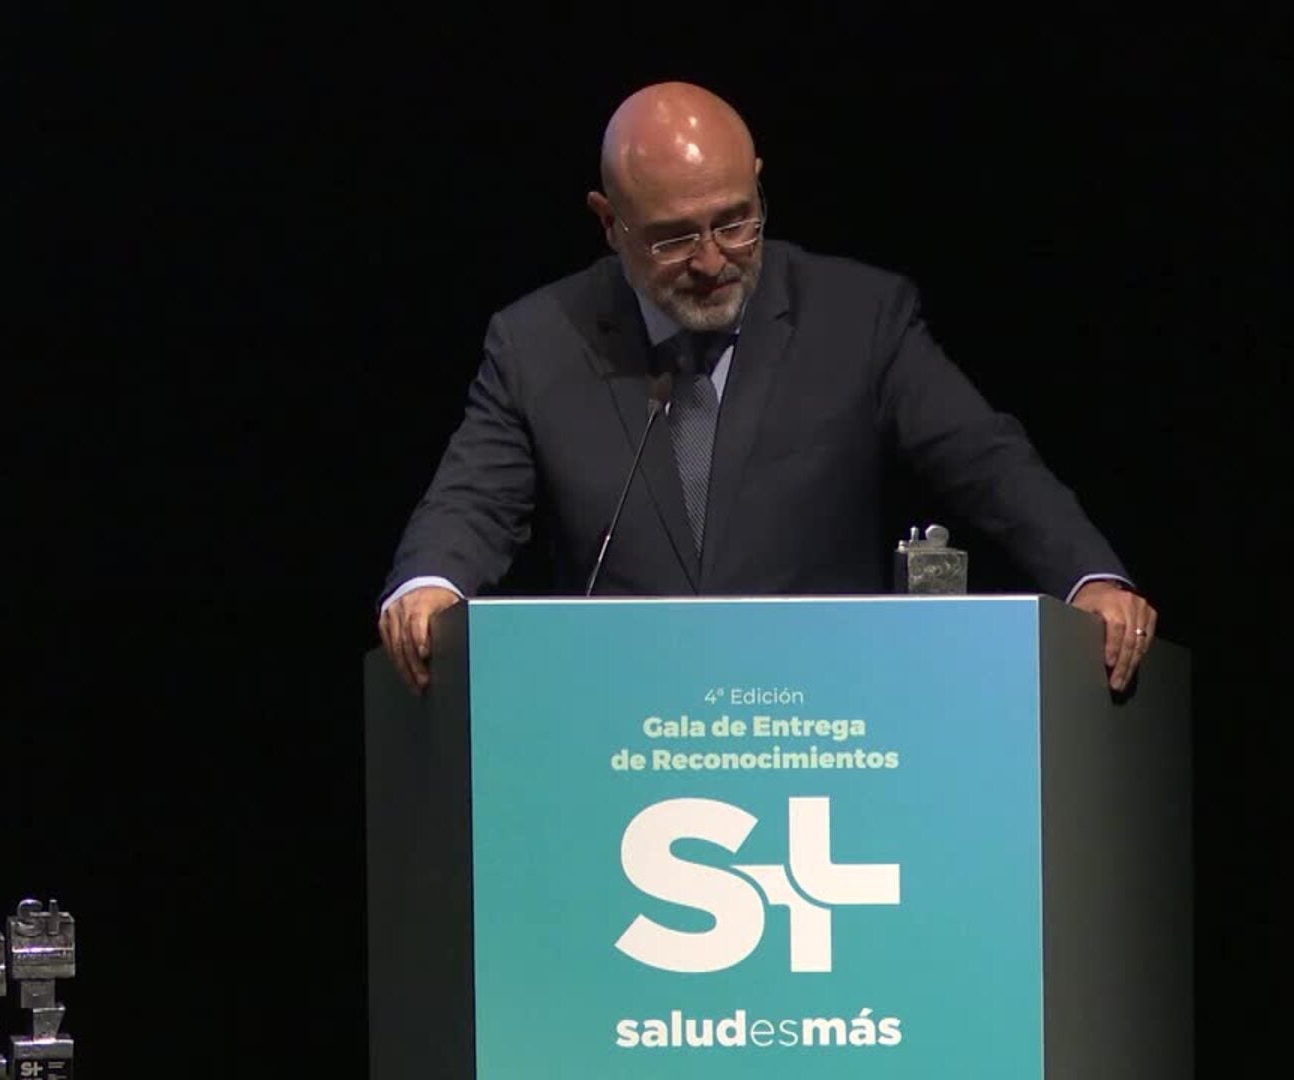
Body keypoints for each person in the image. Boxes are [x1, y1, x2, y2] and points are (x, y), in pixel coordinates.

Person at [377, 81, 1157, 694]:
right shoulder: (538, 342)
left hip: (821, 719)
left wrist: (1088, 577)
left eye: (735, 221)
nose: (712, 260)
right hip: (616, 716)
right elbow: (473, 498)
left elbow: (986, 460)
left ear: (757, 185)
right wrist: (428, 586)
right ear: (609, 222)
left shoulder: (859, 317)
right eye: (675, 237)